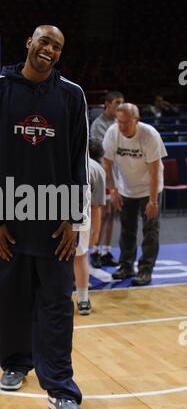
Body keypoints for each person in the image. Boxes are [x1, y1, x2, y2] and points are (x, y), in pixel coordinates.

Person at [0, 25, 90, 409]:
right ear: (29, 42)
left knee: (58, 305)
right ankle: (15, 363)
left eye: (57, 46)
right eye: (44, 41)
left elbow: (79, 160)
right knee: (11, 300)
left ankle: (61, 388)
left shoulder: (72, 94)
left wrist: (75, 218)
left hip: (56, 220)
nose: (50, 50)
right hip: (8, 215)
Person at [103, 103, 167, 286]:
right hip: (125, 189)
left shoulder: (149, 135)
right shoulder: (112, 133)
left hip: (149, 189)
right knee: (126, 229)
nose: (121, 126)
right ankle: (126, 266)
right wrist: (113, 190)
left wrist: (153, 201)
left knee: (150, 230)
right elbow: (106, 164)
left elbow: (155, 172)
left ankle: (146, 270)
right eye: (119, 121)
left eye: (126, 122)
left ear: (136, 120)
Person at [90, 91, 124, 269]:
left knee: (111, 214)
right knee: (102, 214)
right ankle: (94, 251)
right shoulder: (98, 124)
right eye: (117, 102)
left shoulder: (120, 123)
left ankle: (106, 251)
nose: (120, 106)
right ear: (108, 104)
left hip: (116, 175)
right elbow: (98, 153)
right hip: (102, 174)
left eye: (122, 102)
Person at [74, 139, 106, 315]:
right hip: (79, 217)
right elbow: (96, 207)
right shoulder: (96, 168)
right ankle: (83, 300)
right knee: (81, 257)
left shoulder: (61, 157)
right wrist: (96, 232)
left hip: (51, 215)